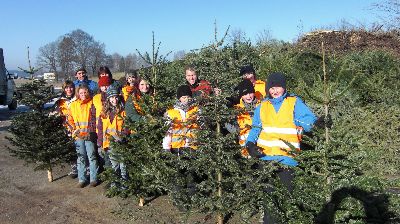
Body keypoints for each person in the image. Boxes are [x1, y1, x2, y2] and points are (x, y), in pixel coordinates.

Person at [245, 72, 317, 223]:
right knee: (269, 200)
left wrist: (316, 124)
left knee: (286, 199)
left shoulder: (294, 103)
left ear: (284, 87)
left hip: (287, 161)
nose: (275, 91)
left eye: (278, 87)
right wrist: (250, 144)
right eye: (271, 88)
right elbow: (256, 128)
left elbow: (308, 120)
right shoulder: (262, 106)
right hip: (265, 160)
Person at [67, 84, 99, 188]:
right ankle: (82, 179)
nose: (83, 94)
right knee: (81, 157)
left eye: (85, 92)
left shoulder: (92, 103)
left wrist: (91, 131)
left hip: (90, 135)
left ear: (88, 92)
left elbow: (95, 118)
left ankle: (93, 178)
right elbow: (69, 119)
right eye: (81, 93)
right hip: (78, 136)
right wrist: (73, 130)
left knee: (92, 156)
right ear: (78, 94)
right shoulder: (73, 105)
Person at [98, 87, 128, 184]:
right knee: (114, 165)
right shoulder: (104, 113)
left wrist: (123, 136)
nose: (114, 100)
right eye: (112, 97)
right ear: (108, 99)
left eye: (116, 97)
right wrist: (100, 142)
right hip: (109, 144)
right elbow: (100, 128)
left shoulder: (123, 112)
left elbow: (127, 127)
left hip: (120, 142)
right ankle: (115, 184)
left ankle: (124, 184)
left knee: (123, 165)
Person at [162, 85, 199, 154]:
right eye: (184, 97)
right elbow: (168, 132)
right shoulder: (171, 112)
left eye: (188, 97)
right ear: (179, 98)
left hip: (193, 148)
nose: (186, 99)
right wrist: (166, 147)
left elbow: (202, 128)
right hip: (177, 148)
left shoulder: (197, 110)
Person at [53, 80, 78, 178]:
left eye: (71, 87)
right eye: (67, 88)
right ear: (64, 89)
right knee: (70, 149)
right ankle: (74, 168)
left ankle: (85, 168)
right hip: (66, 128)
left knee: (80, 148)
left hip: (77, 127)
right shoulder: (60, 101)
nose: (69, 89)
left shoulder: (77, 98)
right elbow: (56, 113)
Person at [234, 79, 261, 158]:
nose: (249, 96)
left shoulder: (262, 105)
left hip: (262, 146)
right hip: (246, 150)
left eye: (250, 93)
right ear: (241, 95)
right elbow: (231, 127)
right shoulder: (237, 109)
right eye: (245, 94)